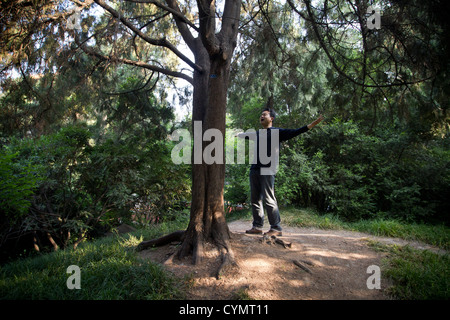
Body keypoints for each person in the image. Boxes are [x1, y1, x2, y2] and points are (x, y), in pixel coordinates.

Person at [237, 108, 324, 236]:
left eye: (264, 115)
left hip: (268, 169)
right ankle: (257, 226)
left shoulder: (277, 132)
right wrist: (238, 134)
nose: (261, 116)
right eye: (261, 114)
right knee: (255, 199)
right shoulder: (258, 133)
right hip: (254, 169)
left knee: (269, 199)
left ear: (271, 118)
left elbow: (296, 131)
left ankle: (276, 228)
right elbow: (246, 136)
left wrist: (312, 124)